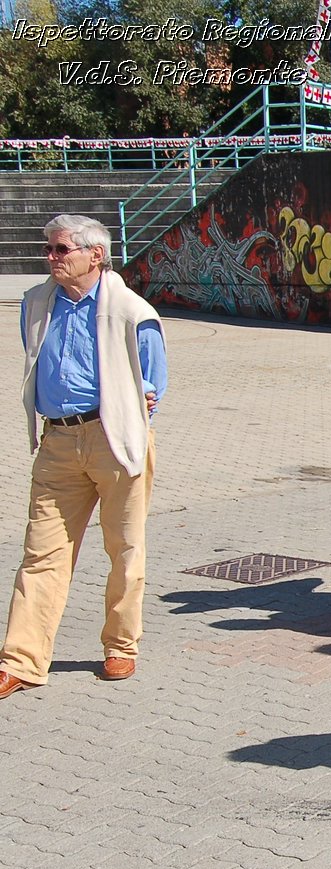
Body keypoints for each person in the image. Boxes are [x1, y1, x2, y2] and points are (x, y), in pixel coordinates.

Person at [0, 215, 167, 700]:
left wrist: (143, 403)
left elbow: (154, 380)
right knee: (41, 554)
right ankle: (22, 661)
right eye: (49, 249)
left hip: (113, 439)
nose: (51, 258)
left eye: (61, 249)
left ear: (96, 255)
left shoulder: (133, 311)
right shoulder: (35, 303)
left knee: (125, 549)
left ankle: (121, 646)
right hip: (56, 442)